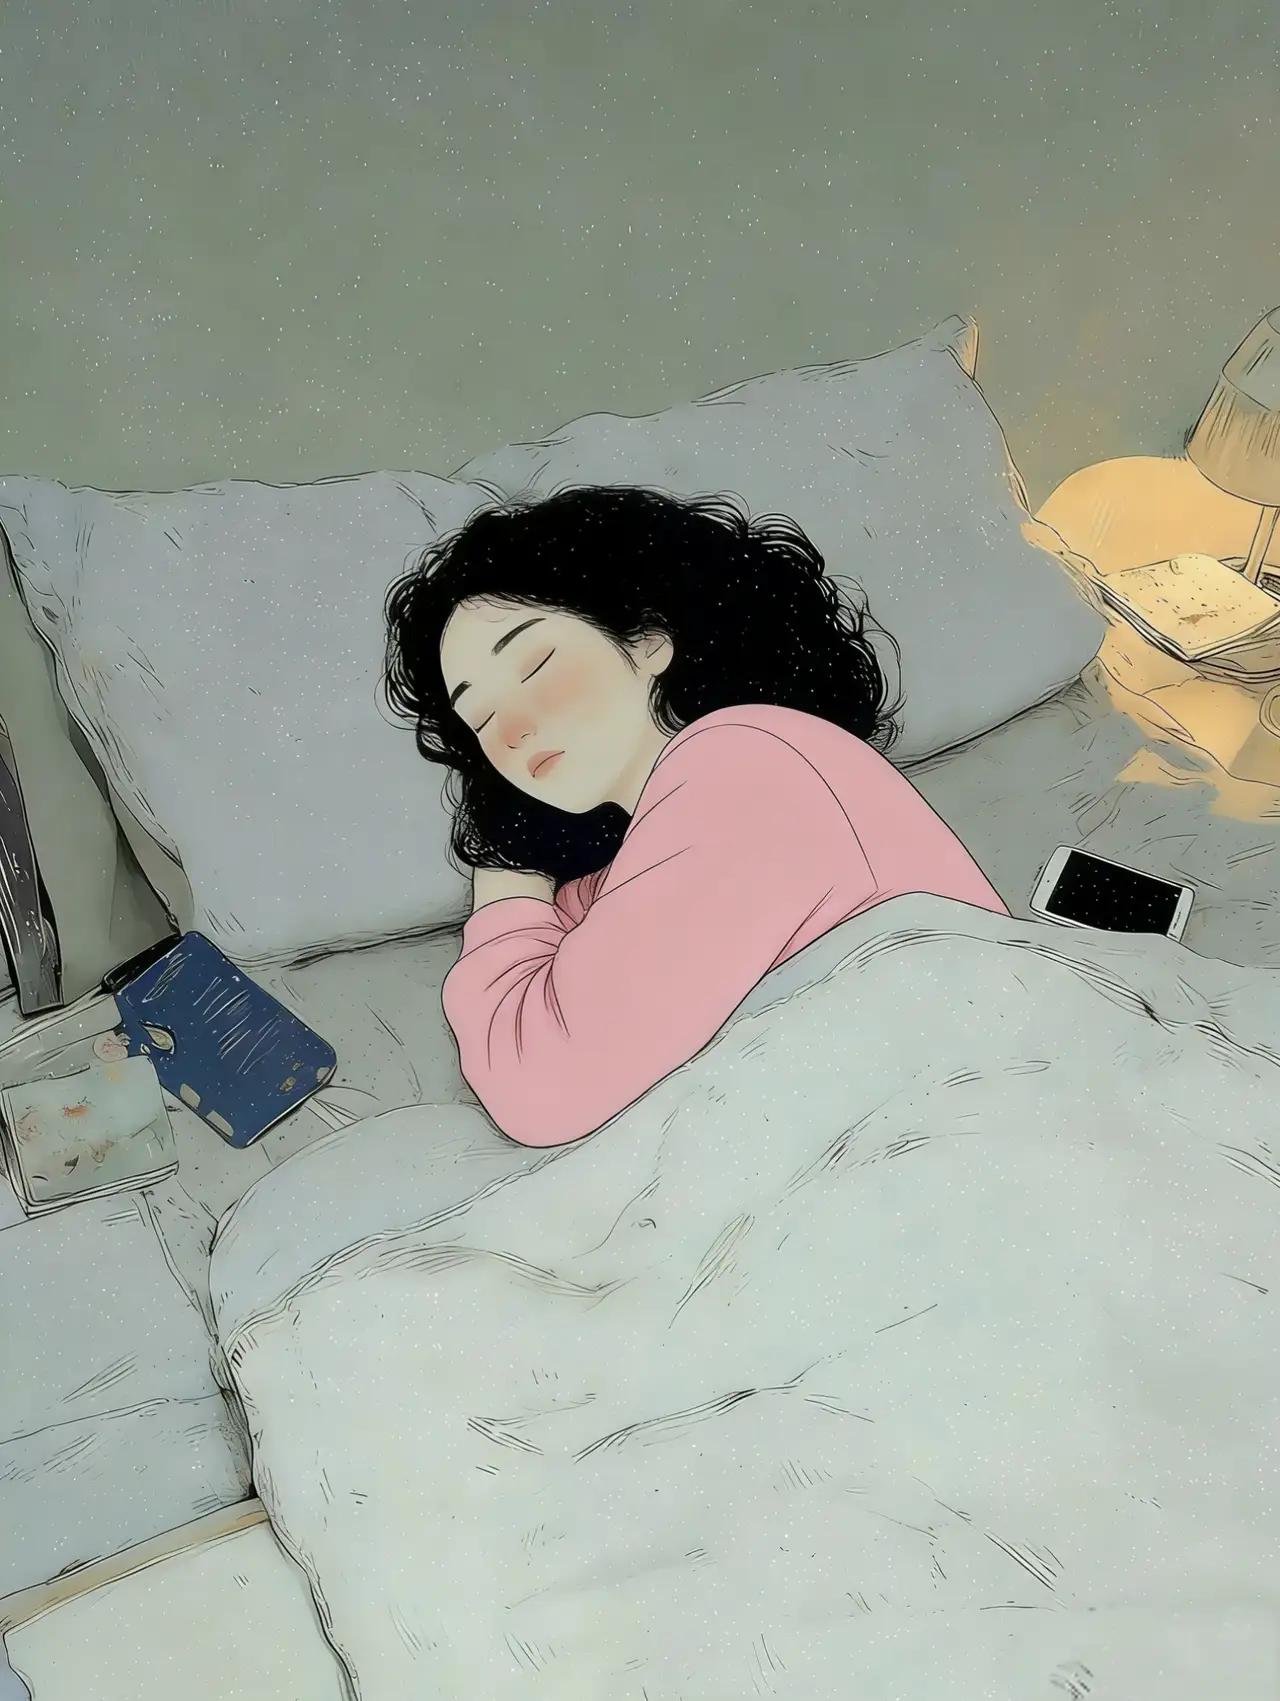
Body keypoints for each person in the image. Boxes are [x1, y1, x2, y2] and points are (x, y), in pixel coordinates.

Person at [383, 485, 1007, 1149]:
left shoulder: (743, 763)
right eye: (478, 717)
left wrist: (505, 874)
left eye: (535, 666)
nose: (511, 730)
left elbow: (538, 1081)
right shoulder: (643, 854)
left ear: (648, 638)